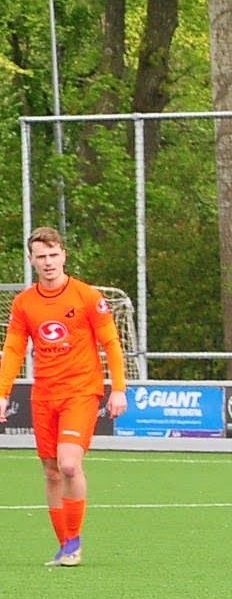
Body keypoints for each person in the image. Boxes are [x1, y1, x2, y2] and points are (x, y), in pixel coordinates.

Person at [0, 226, 129, 566]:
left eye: (53, 255)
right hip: (44, 394)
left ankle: (73, 543)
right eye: (41, 257)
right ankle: (66, 544)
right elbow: (14, 349)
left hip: (81, 391)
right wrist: (2, 393)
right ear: (31, 261)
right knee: (51, 471)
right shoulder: (24, 303)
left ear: (63, 256)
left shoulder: (86, 296)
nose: (48, 262)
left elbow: (111, 343)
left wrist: (118, 388)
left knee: (69, 465)